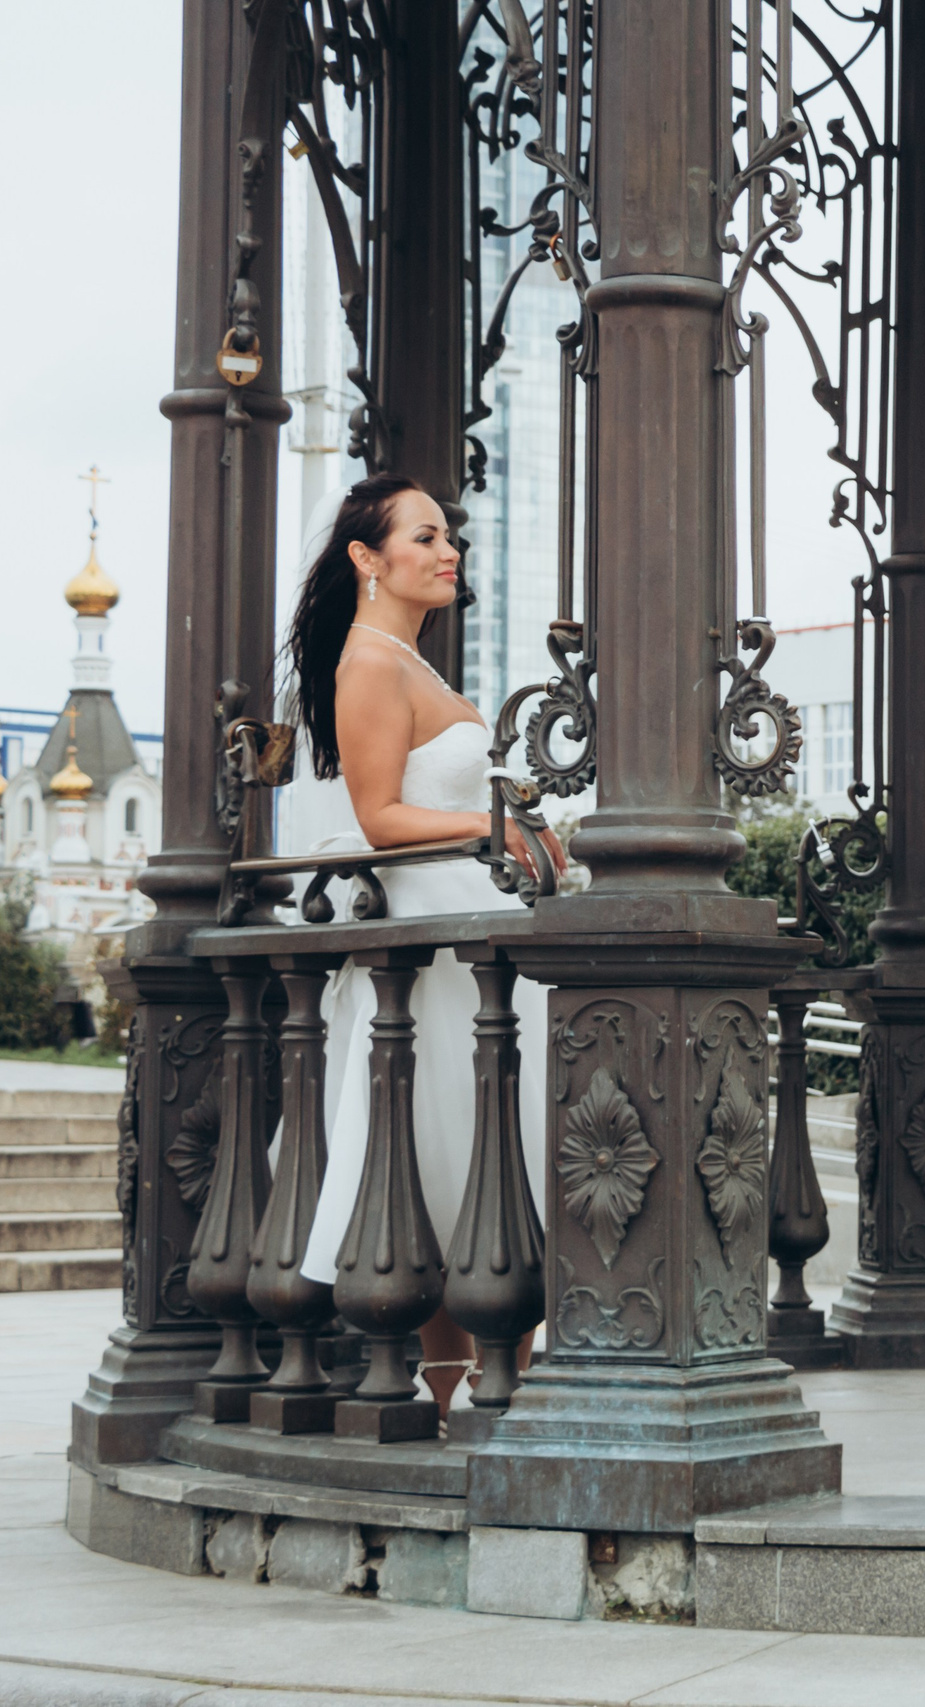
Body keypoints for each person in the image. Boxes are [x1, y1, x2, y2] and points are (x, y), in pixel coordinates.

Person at [282, 473, 561, 1413]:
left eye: (451, 537)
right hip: (435, 943)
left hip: (474, 923)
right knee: (452, 1145)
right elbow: (377, 814)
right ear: (367, 557)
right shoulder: (368, 661)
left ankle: (489, 1376)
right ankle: (468, 1382)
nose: (451, 552)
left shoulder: (414, 661)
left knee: (482, 1144)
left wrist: (522, 833)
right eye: (427, 536)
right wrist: (490, 831)